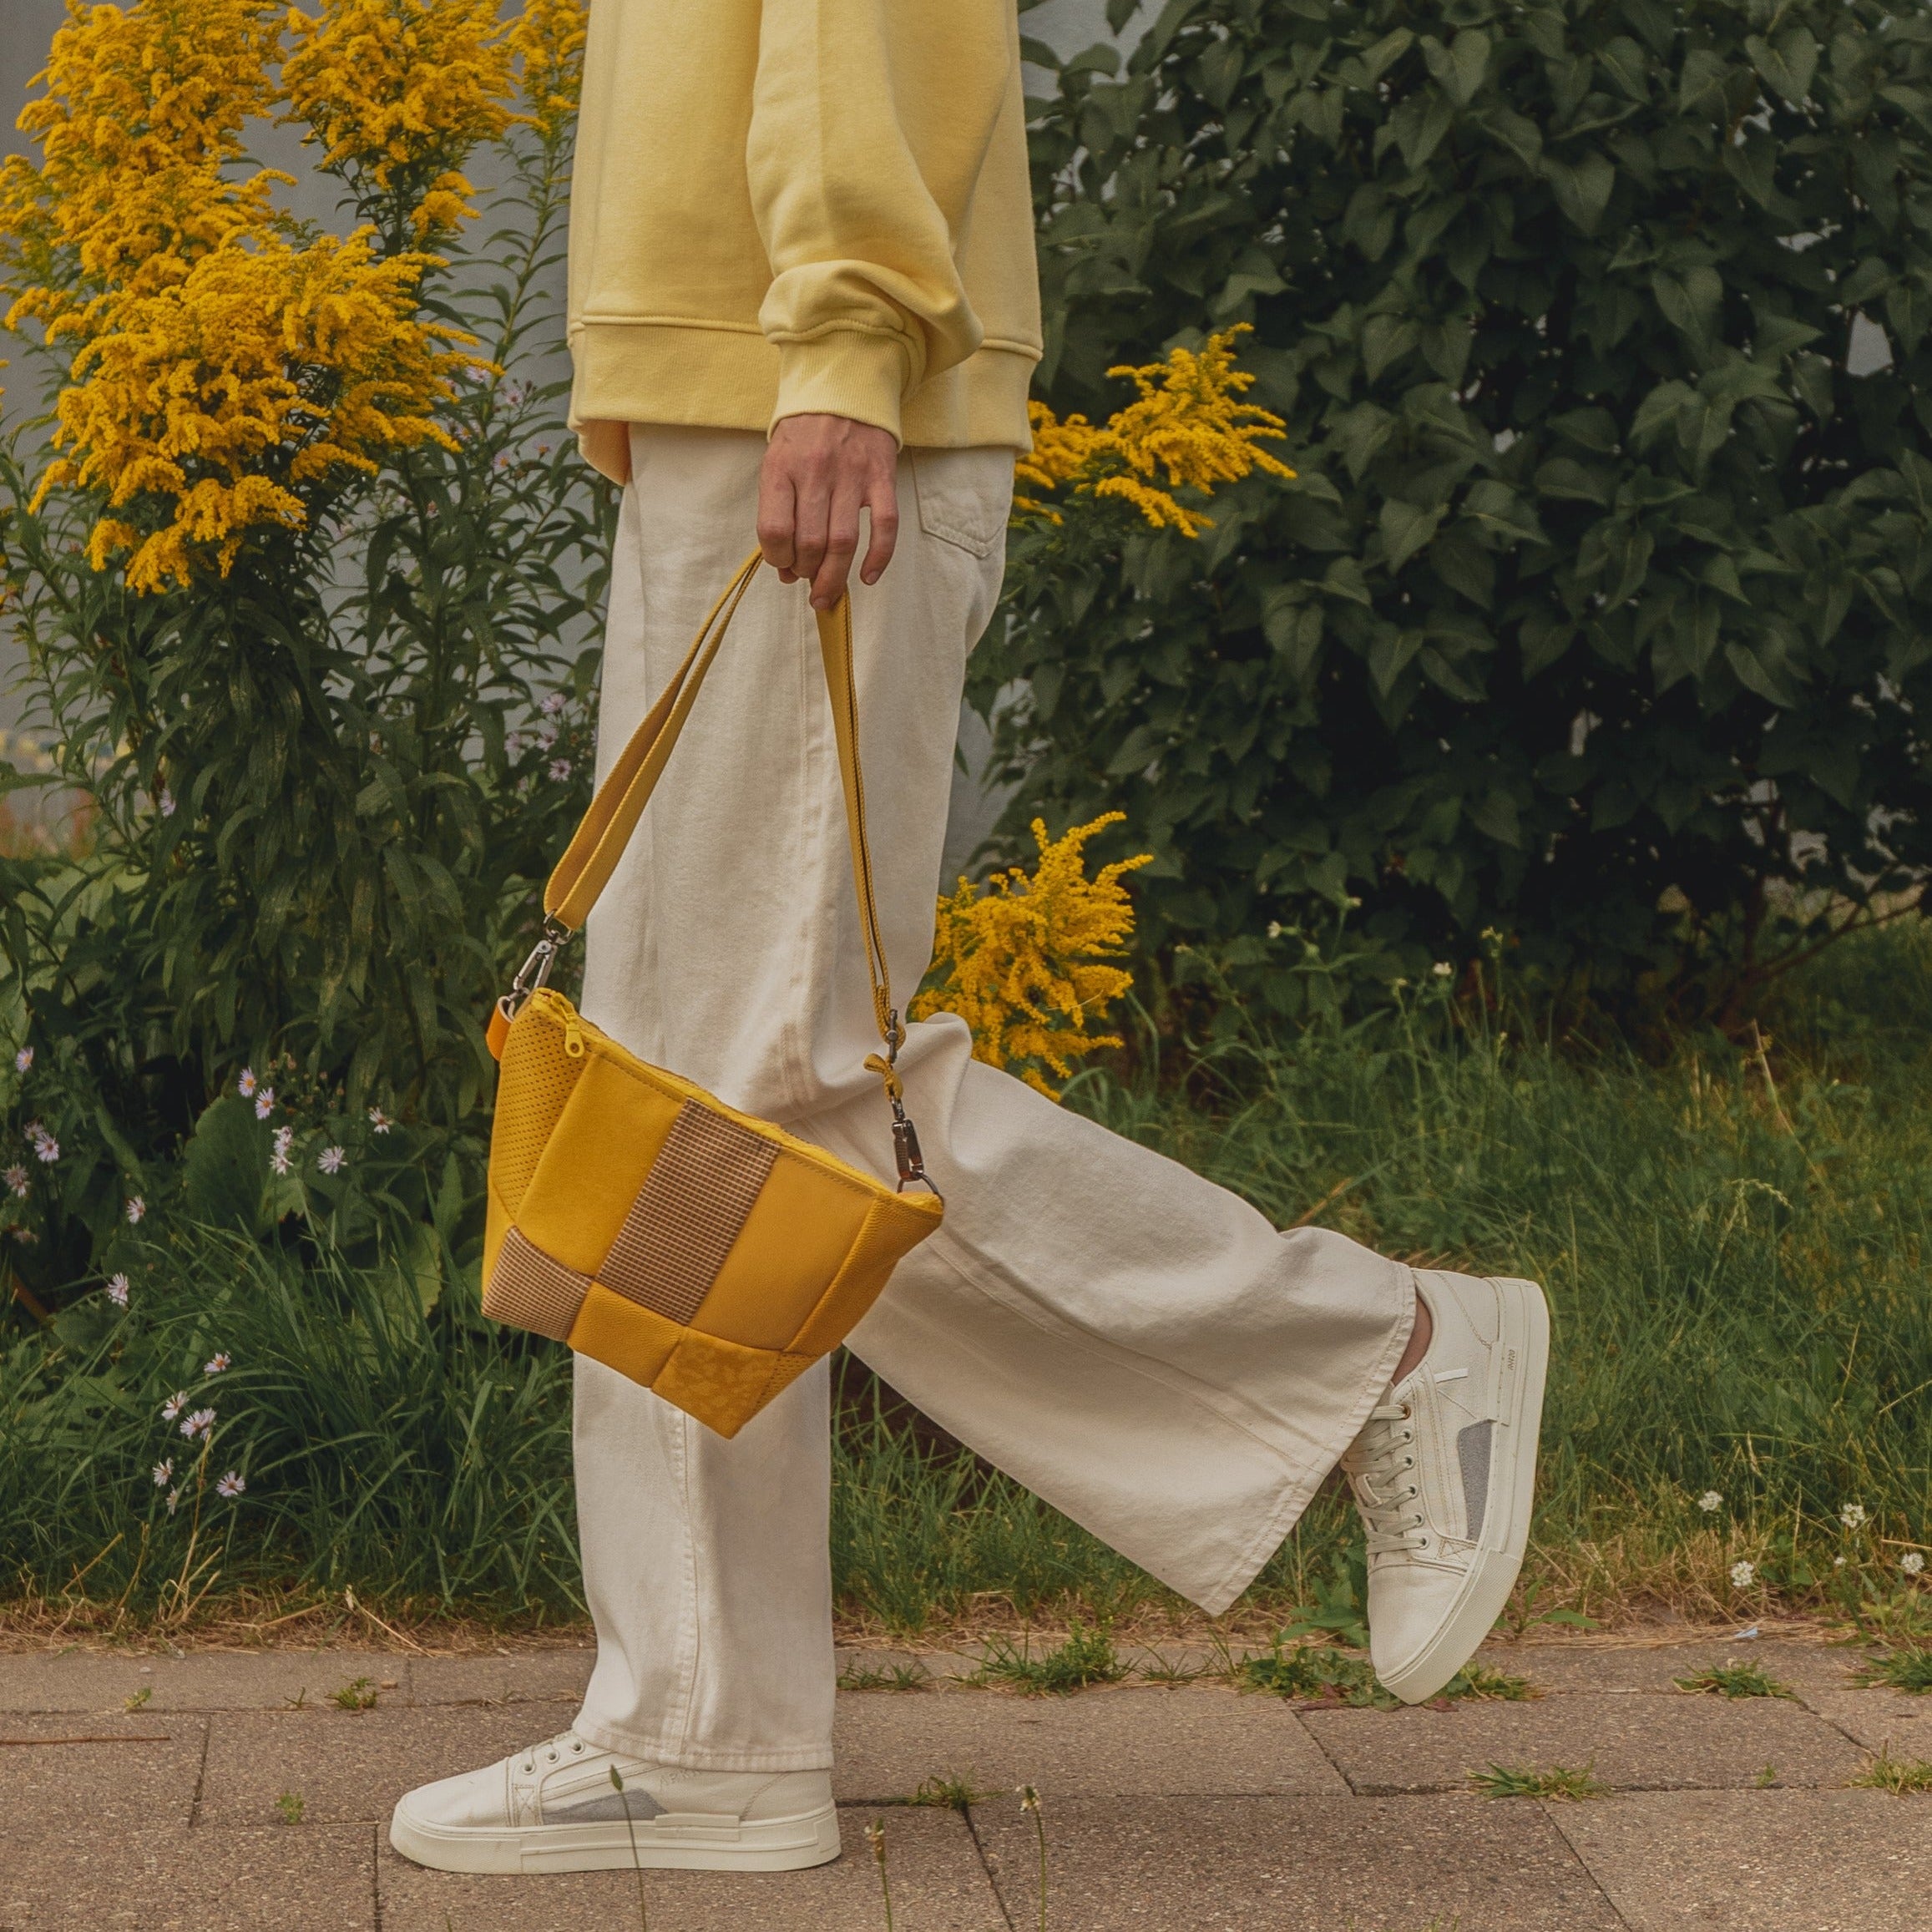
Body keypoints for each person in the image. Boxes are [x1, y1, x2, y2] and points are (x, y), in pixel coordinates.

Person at [389, 0, 1551, 1877]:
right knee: (692, 1113)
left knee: (755, 1104)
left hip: (805, 373)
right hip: (740, 375)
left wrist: (845, 331)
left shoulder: (830, 349)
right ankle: (703, 1731)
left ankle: (1374, 1349)